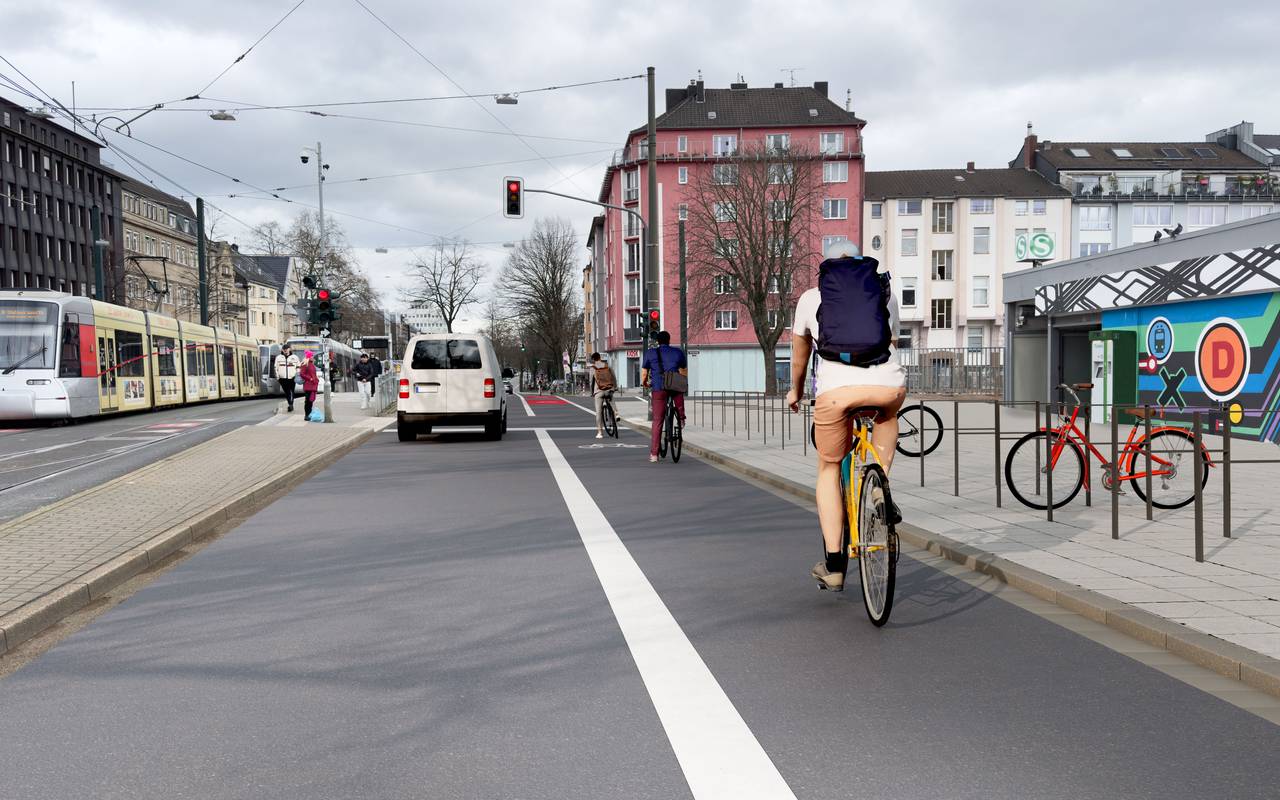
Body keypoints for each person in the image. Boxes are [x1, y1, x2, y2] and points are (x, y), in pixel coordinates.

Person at [786, 240, 906, 592]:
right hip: (887, 385)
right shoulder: (884, 293)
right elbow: (892, 343)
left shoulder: (811, 298)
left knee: (828, 466)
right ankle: (879, 484)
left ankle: (835, 564)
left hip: (836, 393)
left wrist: (795, 391)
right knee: (886, 415)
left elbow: (799, 355)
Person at [641, 331, 687, 463]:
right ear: (669, 340)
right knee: (679, 395)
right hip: (673, 385)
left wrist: (645, 382)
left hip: (658, 388)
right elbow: (683, 369)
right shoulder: (677, 352)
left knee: (657, 421)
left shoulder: (651, 353)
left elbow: (645, 372)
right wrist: (683, 379)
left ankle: (654, 454)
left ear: (657, 341)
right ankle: (681, 418)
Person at [588, 352, 616, 439]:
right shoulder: (607, 365)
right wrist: (615, 387)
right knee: (611, 402)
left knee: (598, 412)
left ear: (593, 360)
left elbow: (591, 382)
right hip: (608, 389)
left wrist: (592, 392)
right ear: (600, 357)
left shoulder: (593, 368)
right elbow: (613, 377)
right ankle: (615, 416)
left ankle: (600, 432)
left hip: (598, 391)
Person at [274, 344, 301, 412]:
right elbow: (275, 368)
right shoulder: (278, 358)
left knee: (291, 391)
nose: (285, 351)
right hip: (282, 378)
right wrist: (278, 377)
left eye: (287, 349)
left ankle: (291, 404)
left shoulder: (295, 357)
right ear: (282, 350)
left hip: (292, 378)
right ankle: (290, 403)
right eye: (284, 349)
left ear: (289, 349)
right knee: (287, 392)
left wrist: (297, 374)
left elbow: (298, 366)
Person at [299, 351, 320, 420]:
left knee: (311, 400)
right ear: (308, 357)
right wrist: (310, 378)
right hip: (308, 385)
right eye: (311, 356)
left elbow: (313, 374)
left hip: (313, 385)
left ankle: (309, 414)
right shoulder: (305, 364)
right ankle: (306, 415)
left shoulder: (312, 364)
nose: (312, 357)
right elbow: (302, 374)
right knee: (307, 401)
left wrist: (316, 379)